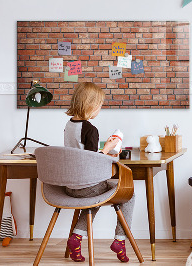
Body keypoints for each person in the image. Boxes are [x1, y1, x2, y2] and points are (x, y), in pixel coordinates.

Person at [64, 82, 134, 263]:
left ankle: (76, 238)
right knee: (129, 194)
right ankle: (120, 240)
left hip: (70, 186)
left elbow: (81, 154)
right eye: (100, 105)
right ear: (91, 105)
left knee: (94, 197)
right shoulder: (90, 129)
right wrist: (109, 148)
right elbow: (91, 161)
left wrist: (104, 149)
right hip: (87, 186)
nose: (99, 109)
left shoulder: (69, 125)